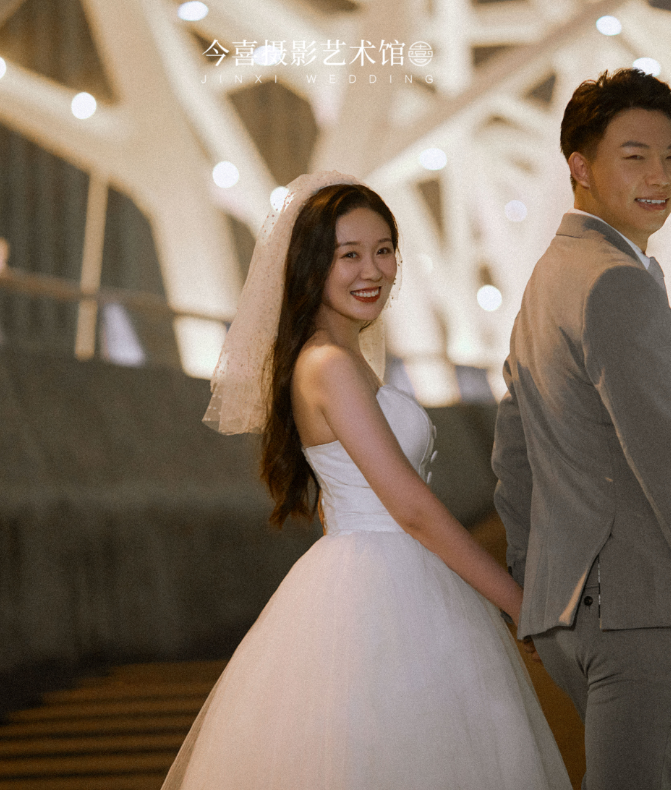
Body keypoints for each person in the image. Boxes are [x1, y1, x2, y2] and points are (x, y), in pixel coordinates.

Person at [162, 171, 571, 790]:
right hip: (382, 588)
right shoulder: (329, 364)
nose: (372, 270)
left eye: (383, 250)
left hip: (383, 576)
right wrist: (517, 603)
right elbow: (411, 508)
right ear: (311, 267)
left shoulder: (341, 356)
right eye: (348, 255)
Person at [492, 68, 671, 790]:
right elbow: (670, 463)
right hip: (641, 616)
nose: (660, 176)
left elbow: (514, 455)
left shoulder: (548, 277)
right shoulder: (616, 281)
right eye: (635, 156)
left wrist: (535, 590)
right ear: (581, 168)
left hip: (571, 618)